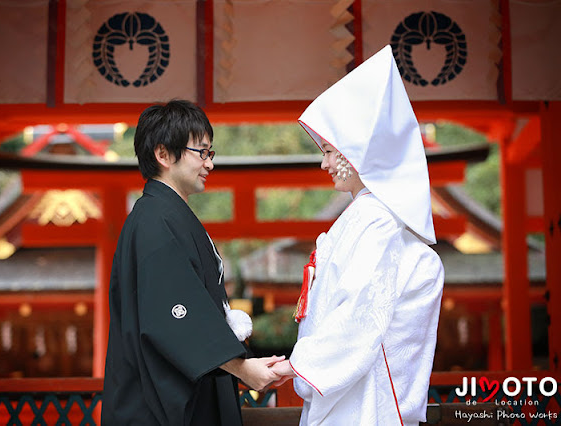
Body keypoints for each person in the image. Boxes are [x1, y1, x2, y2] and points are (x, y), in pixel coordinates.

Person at [270, 45, 445, 425]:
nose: (325, 163)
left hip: (361, 399)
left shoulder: (376, 220)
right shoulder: (368, 218)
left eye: (331, 151)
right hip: (352, 391)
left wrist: (299, 365)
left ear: (359, 151)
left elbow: (359, 314)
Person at [102, 100, 284, 425]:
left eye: (209, 153)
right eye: (201, 152)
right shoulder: (153, 222)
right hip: (155, 405)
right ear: (163, 154)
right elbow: (174, 315)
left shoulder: (167, 217)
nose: (209, 164)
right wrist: (242, 368)